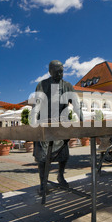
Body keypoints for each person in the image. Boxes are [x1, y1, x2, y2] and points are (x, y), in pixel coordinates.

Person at [30, 60, 83, 195]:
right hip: (45, 126)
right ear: (50, 71)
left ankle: (60, 175)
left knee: (63, 155)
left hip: (61, 126)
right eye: (57, 71)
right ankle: (43, 183)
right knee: (42, 157)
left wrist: (82, 120)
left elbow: (76, 104)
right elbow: (36, 104)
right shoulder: (42, 85)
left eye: (62, 71)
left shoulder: (67, 86)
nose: (60, 74)